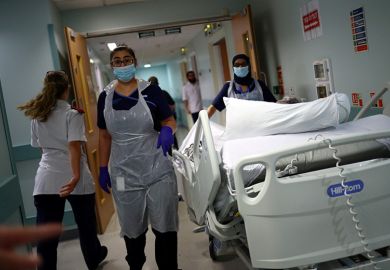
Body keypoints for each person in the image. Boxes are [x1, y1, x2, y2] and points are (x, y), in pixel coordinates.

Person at [97, 45, 179, 270]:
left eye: (127, 60)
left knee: (165, 224)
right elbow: (104, 136)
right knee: (132, 228)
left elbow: (169, 120)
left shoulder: (152, 91)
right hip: (124, 172)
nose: (123, 64)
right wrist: (103, 168)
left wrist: (167, 131)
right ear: (112, 66)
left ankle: (168, 267)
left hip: (157, 167)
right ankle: (135, 266)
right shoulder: (105, 97)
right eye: (118, 61)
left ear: (135, 61)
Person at [18, 71, 107, 270]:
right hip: (75, 178)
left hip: (46, 179)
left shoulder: (38, 116)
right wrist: (75, 176)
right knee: (86, 227)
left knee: (46, 237)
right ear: (66, 90)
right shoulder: (72, 114)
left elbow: (42, 148)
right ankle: (94, 258)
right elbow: (74, 147)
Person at [207, 54, 276, 118]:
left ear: (249, 66)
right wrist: (201, 124)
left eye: (243, 64)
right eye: (237, 65)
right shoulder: (228, 87)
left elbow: (274, 105)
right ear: (233, 68)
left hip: (260, 126)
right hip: (238, 129)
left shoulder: (260, 85)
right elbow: (213, 107)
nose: (240, 67)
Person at [148, 76, 179, 149]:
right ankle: (175, 150)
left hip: (159, 123)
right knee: (171, 137)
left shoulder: (148, 96)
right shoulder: (163, 93)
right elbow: (172, 105)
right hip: (166, 121)